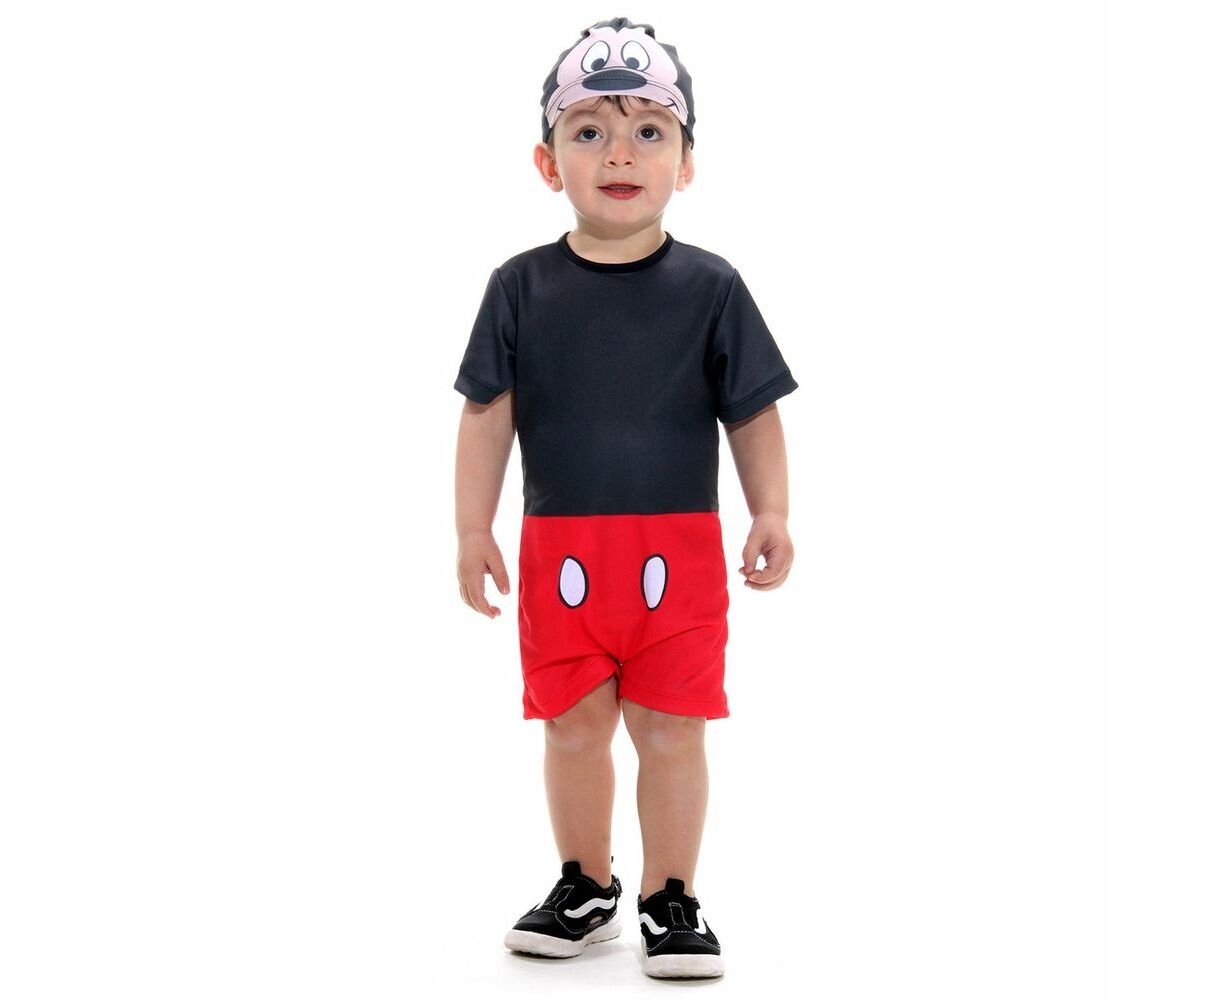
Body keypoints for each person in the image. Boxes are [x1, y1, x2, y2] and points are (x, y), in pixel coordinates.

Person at [452, 16, 797, 980]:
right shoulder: (517, 287)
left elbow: (752, 412)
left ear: (685, 163)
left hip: (675, 558)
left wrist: (770, 510)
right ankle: (586, 885)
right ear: (546, 159)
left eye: (649, 131)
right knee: (571, 726)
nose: (619, 153)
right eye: (589, 130)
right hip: (559, 555)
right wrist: (471, 527)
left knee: (671, 728)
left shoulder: (712, 287)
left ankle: (669, 895)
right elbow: (484, 414)